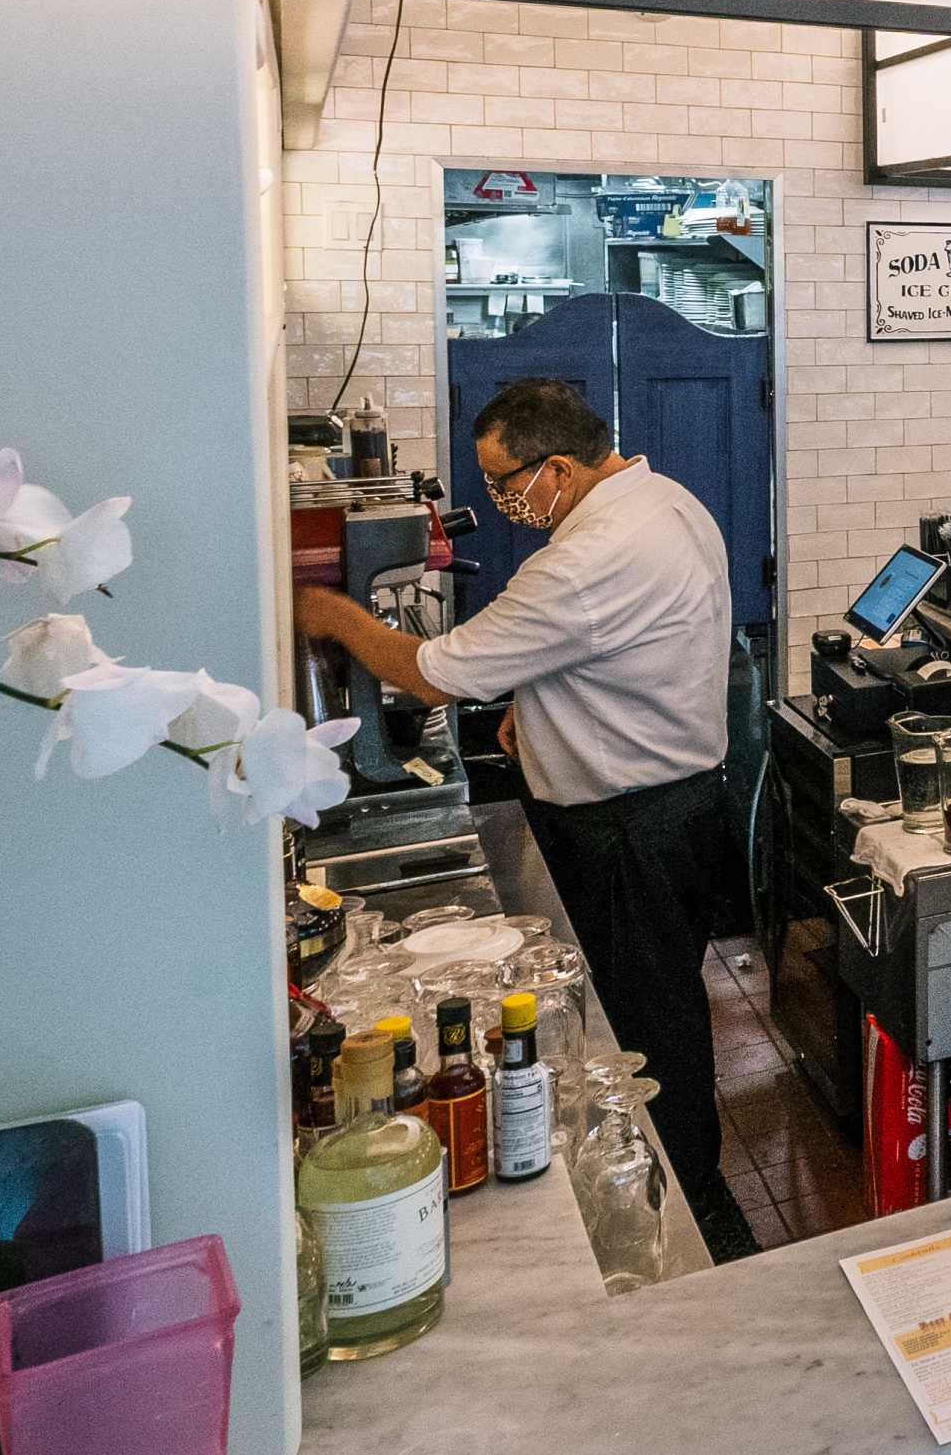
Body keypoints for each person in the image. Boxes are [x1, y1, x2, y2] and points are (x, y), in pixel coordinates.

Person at [294, 378, 756, 1264]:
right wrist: (543, 704)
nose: (502, 504)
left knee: (650, 1026)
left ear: (557, 468)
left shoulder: (584, 560)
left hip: (628, 830)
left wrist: (334, 616)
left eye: (506, 483)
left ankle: (687, 1216)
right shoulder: (666, 501)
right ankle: (689, 1188)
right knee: (662, 1004)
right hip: (685, 803)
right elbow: (628, 652)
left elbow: (431, 674)